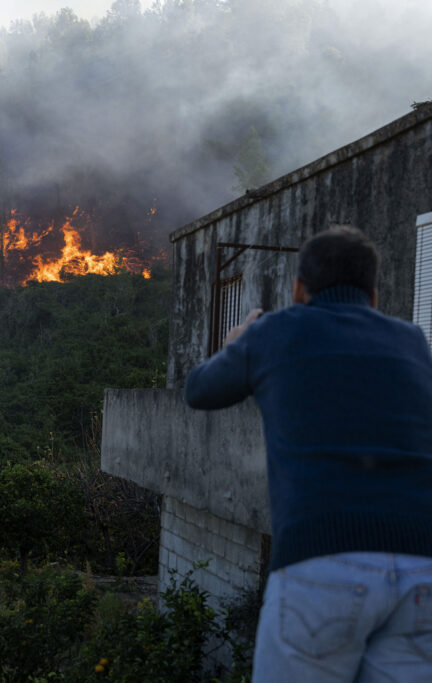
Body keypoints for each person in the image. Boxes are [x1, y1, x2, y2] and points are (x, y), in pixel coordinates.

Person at [184, 226, 432, 681]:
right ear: (373, 297)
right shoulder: (412, 340)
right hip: (421, 565)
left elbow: (199, 390)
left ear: (299, 290)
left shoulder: (274, 332)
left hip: (322, 559)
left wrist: (237, 345)